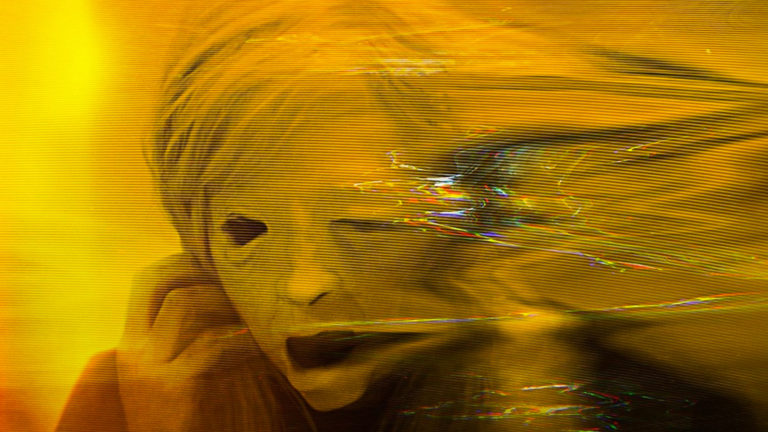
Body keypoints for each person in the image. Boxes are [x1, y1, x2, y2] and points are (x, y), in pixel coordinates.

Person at [57, 0, 768, 430]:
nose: (305, 283)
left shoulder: (639, 401)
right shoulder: (131, 401)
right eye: (246, 232)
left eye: (365, 222)